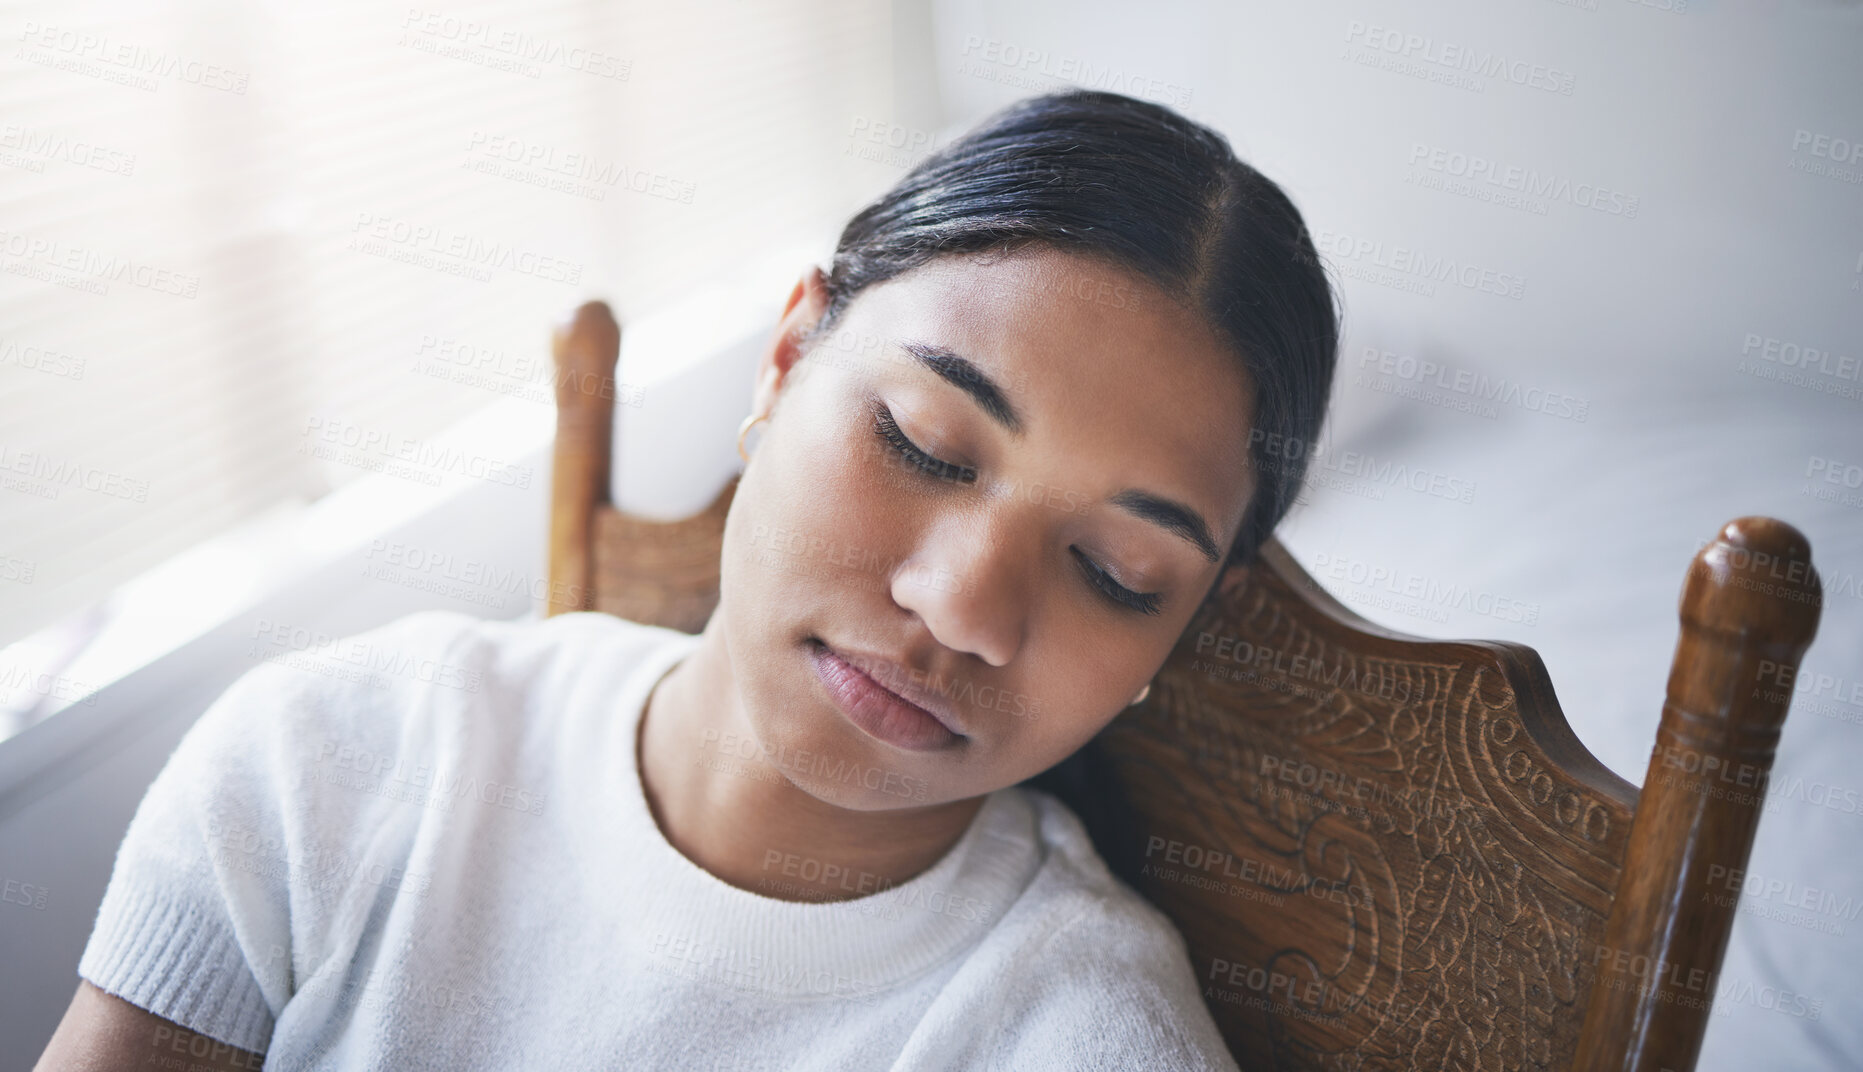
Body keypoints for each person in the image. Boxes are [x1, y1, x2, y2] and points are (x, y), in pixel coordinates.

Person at [36, 88, 1338, 1070]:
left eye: (1118, 573)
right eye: (925, 444)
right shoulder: (330, 759)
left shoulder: (1080, 1037)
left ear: (1189, 625)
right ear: (785, 361)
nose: (962, 608)